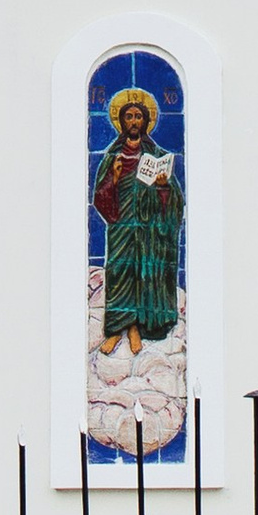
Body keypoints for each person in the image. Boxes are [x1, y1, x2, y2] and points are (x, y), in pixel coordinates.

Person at [92, 87, 183, 359]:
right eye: (128, 117)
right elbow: (100, 197)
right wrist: (116, 177)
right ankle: (115, 329)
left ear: (145, 122)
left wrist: (163, 188)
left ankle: (135, 328)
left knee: (141, 272)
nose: (133, 121)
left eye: (138, 117)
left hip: (147, 229)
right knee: (120, 271)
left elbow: (175, 202)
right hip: (121, 225)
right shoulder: (112, 156)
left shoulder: (156, 155)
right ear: (121, 122)